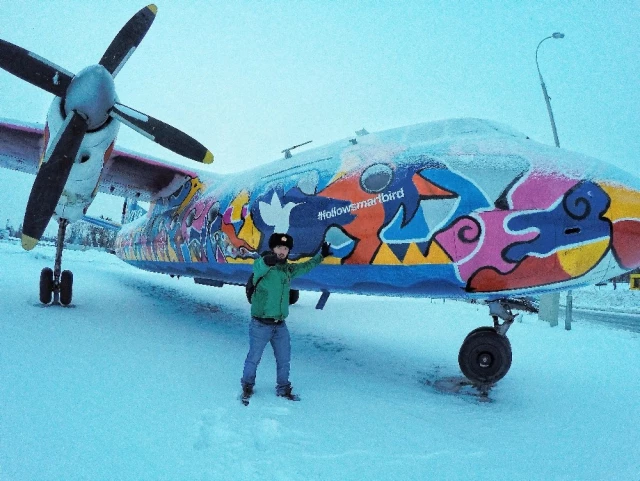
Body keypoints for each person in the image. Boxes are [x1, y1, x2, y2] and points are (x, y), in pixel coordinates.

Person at [241, 233, 331, 402]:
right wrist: (267, 261)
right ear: (272, 249)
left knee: (284, 359)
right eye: (278, 248)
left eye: (285, 248)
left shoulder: (287, 270)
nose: (282, 251)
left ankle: (283, 388)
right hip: (260, 324)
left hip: (280, 325)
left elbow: (305, 266)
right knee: (254, 357)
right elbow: (258, 267)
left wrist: (322, 256)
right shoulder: (263, 267)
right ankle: (247, 385)